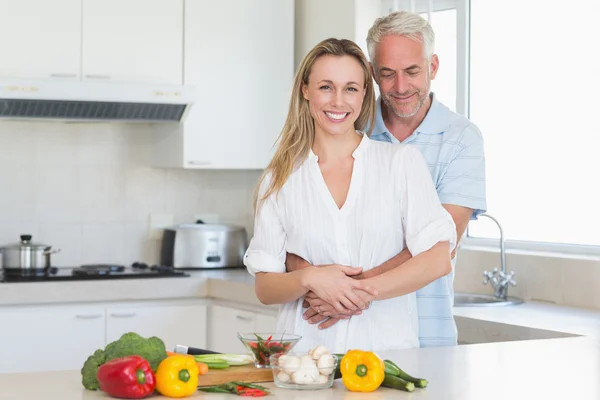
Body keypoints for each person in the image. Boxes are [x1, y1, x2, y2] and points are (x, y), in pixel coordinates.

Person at [243, 37, 456, 354]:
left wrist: (358, 293)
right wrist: (312, 279)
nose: (338, 101)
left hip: (386, 359)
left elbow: (438, 259)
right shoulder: (279, 179)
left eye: (351, 88)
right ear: (305, 90)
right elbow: (265, 287)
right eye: (326, 87)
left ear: (364, 94)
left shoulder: (401, 163)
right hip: (304, 362)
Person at [290, 11, 487, 348]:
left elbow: (442, 244)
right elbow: (291, 232)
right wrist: (321, 284)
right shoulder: (345, 127)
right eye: (387, 73)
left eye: (412, 71)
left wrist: (345, 293)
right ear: (371, 73)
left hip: (427, 330)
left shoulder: (461, 138)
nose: (400, 87)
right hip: (330, 331)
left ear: (433, 67)